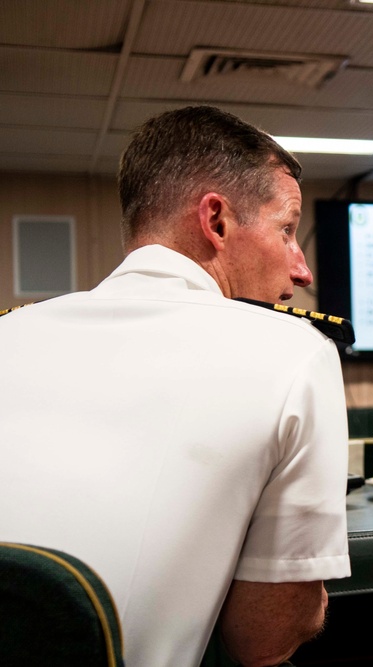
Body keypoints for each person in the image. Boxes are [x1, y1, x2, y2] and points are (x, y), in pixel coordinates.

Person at [0, 106, 351, 666]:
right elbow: (263, 641)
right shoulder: (295, 352)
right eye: (287, 230)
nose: (302, 270)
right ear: (216, 221)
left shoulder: (8, 333)